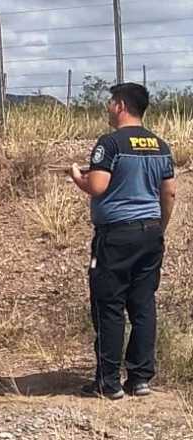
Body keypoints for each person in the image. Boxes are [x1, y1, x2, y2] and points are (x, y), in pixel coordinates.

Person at [69, 82, 177, 400]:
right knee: (143, 305)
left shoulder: (110, 143)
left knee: (109, 305)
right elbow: (169, 192)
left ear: (120, 106)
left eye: (110, 102)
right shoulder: (161, 145)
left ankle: (108, 382)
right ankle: (140, 378)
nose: (107, 108)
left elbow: (98, 186)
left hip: (115, 236)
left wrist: (78, 177)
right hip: (150, 233)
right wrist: (160, 227)